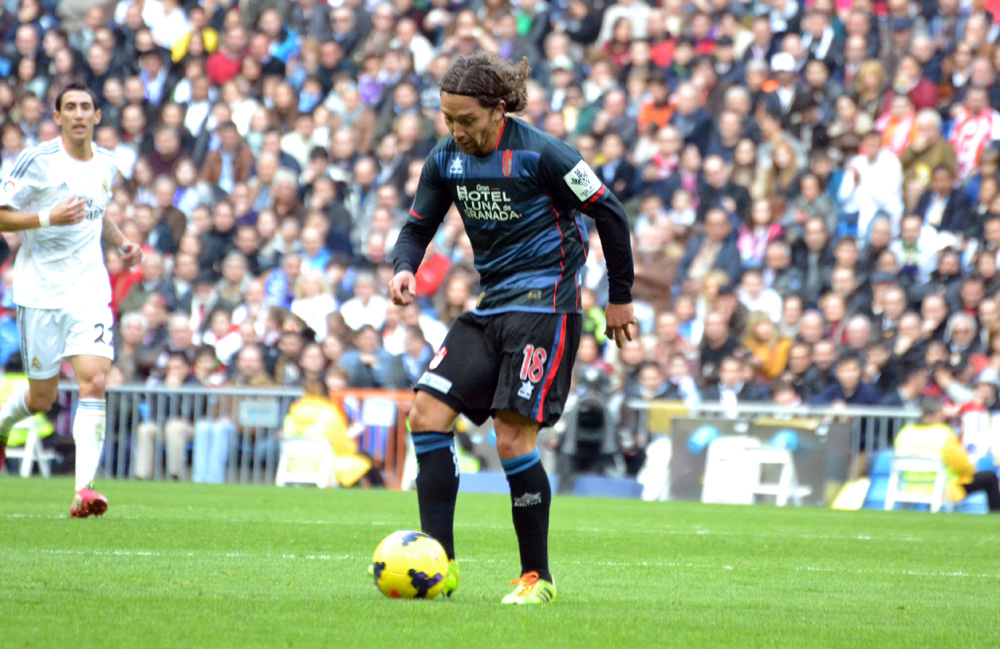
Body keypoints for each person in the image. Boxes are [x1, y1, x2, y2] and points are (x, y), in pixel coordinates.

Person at [388, 52, 635, 605]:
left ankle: (536, 579)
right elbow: (416, 227)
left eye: (467, 120)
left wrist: (620, 298)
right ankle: (439, 565)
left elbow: (610, 212)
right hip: (491, 307)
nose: (457, 131)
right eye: (447, 119)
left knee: (511, 438)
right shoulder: (446, 159)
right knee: (425, 414)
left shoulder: (544, 154)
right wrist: (405, 266)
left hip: (547, 308)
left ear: (498, 110)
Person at [0, 82, 142, 517]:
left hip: (88, 291)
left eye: (86, 107)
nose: (79, 114)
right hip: (39, 293)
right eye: (70, 108)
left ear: (97, 117)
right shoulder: (36, 161)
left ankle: (84, 490)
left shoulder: (108, 163)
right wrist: (47, 217)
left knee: (94, 380)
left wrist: (120, 242)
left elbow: (97, 208)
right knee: (42, 399)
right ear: (58, 117)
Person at [894, 395, 1000, 512]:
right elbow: (963, 466)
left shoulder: (905, 432)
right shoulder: (943, 434)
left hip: (910, 486)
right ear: (938, 413)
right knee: (990, 477)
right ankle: (995, 515)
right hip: (942, 487)